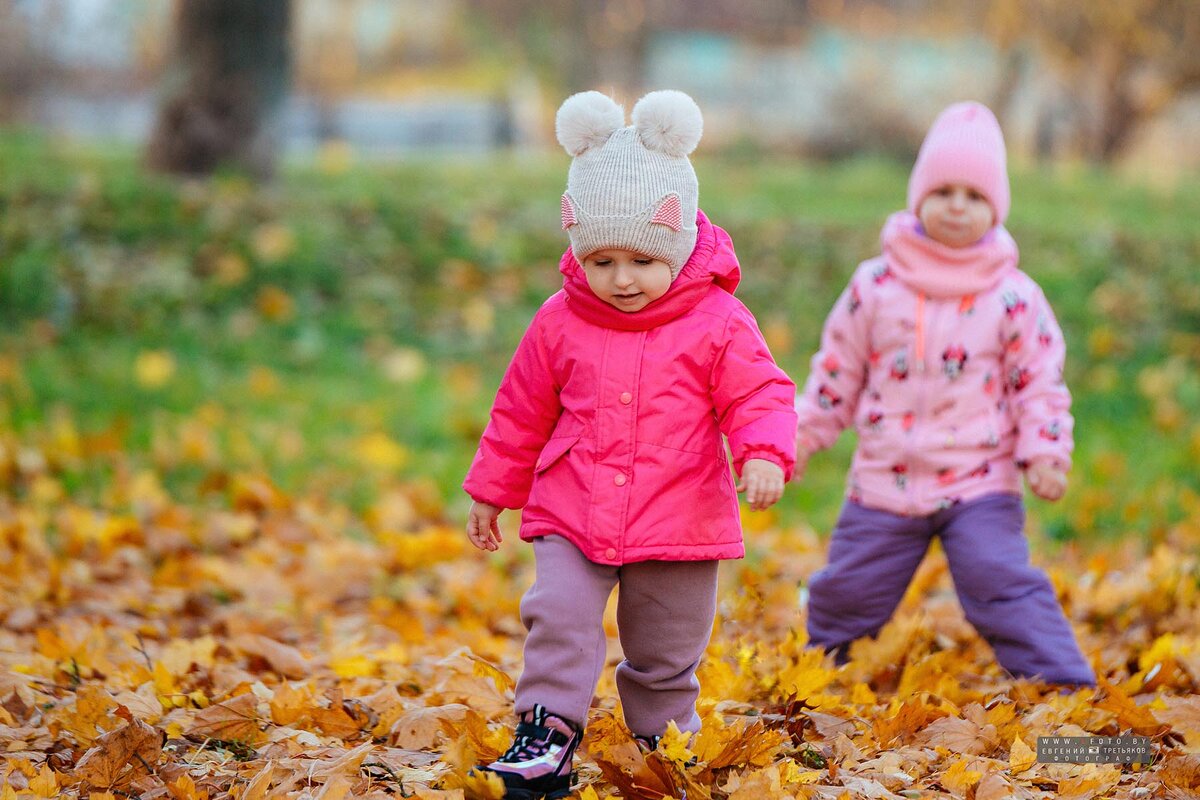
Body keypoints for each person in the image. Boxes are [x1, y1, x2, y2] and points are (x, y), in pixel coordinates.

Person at [463, 89, 797, 799]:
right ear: (577, 246)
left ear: (676, 243)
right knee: (558, 617)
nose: (621, 279)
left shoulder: (719, 321)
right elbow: (519, 409)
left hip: (681, 514)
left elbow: (758, 392)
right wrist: (493, 491)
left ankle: (664, 738)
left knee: (666, 646)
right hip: (572, 505)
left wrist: (764, 451)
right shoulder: (558, 321)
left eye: (643, 259)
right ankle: (545, 735)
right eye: (603, 259)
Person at [795, 101, 1095, 687]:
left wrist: (1045, 453)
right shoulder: (875, 285)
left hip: (979, 478)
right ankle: (813, 674)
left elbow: (1039, 380)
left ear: (996, 208)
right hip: (887, 475)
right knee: (849, 589)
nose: (958, 206)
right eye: (944, 191)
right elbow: (837, 370)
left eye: (975, 196)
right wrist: (801, 438)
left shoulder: (1013, 296)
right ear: (918, 197)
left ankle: (1065, 687)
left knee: (999, 580)